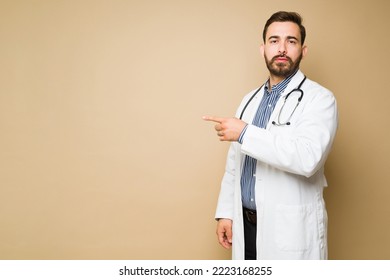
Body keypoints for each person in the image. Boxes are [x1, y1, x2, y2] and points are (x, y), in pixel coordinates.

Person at [203, 11, 338, 260]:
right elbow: (235, 165)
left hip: (289, 229)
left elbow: (308, 158)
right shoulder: (249, 100)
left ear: (303, 50)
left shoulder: (319, 99)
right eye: (274, 41)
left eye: (291, 41)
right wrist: (226, 213)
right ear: (263, 48)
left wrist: (244, 132)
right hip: (246, 224)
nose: (282, 48)